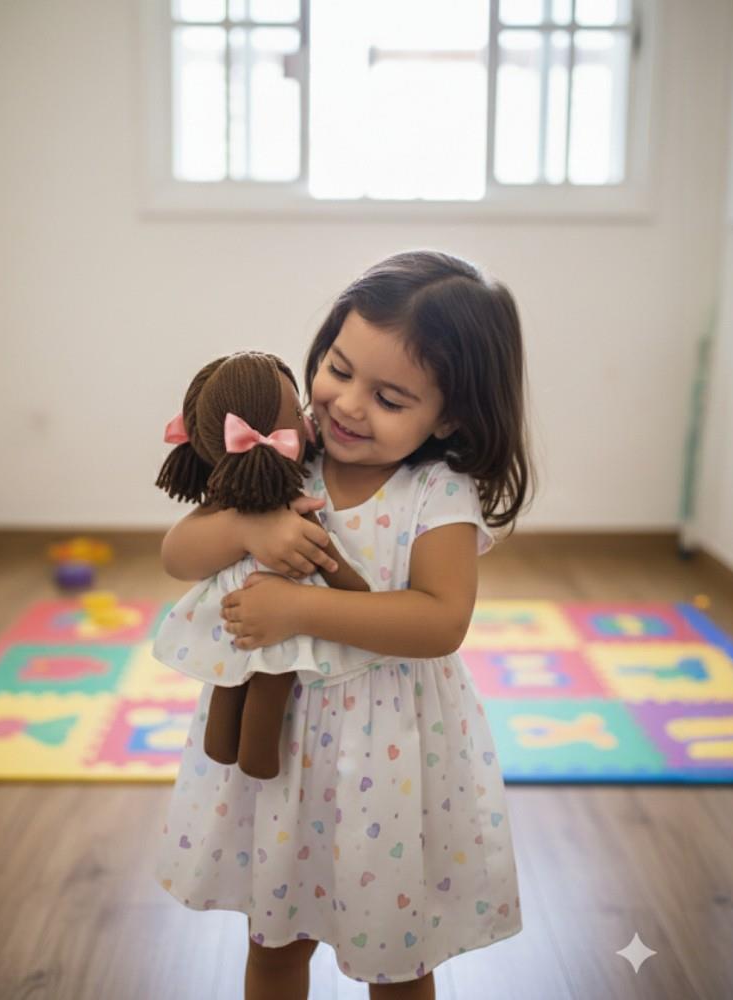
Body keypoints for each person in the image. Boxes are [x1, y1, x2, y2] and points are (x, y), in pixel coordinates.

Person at [154, 250, 535, 1000]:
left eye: (391, 399)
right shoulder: (287, 456)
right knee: (274, 943)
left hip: (385, 757)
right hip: (281, 755)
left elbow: (440, 620)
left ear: (448, 414)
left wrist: (299, 607)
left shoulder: (438, 494)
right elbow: (177, 554)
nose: (349, 405)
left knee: (396, 960)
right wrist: (247, 529)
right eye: (338, 368)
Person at [153, 351, 382, 780]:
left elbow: (323, 555)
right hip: (243, 611)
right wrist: (243, 528)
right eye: (296, 411)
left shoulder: (308, 480)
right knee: (240, 667)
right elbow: (175, 553)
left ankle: (253, 754)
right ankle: (227, 746)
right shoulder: (252, 504)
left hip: (278, 610)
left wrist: (353, 595)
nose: (306, 416)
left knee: (265, 676)